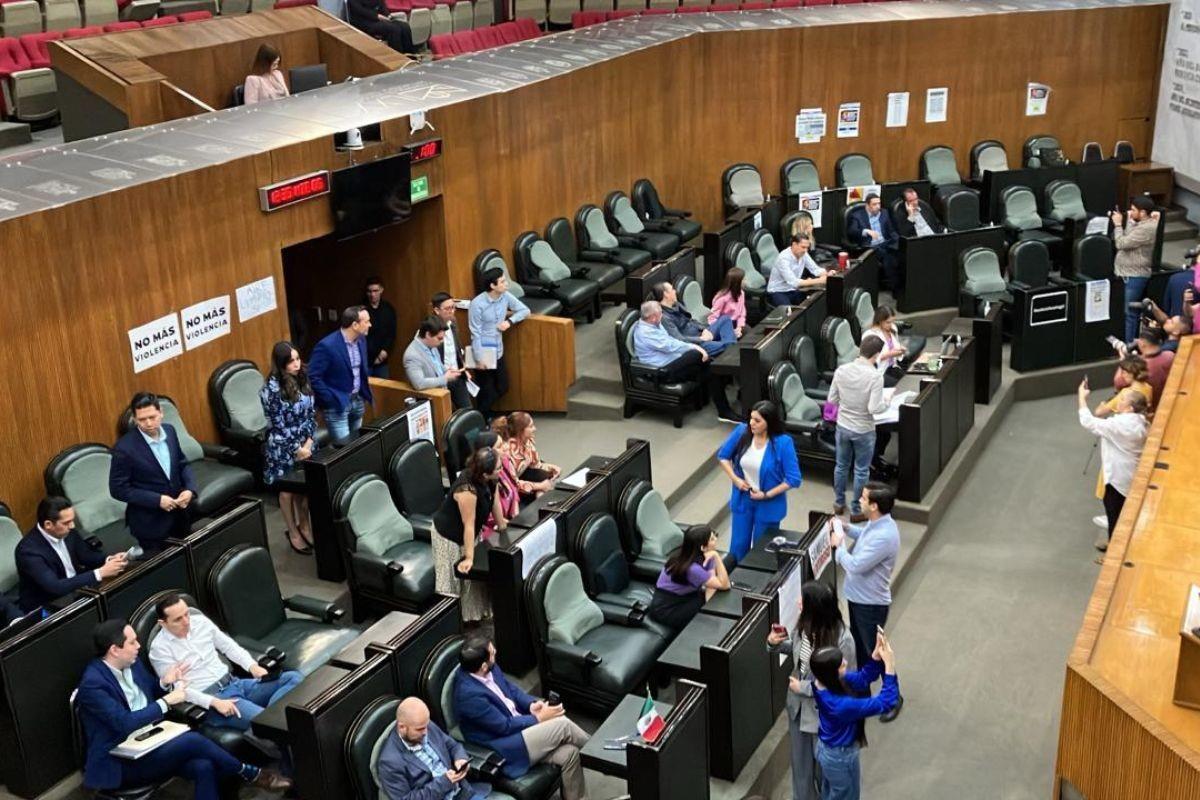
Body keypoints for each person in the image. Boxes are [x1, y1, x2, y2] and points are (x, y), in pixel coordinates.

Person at [76, 620, 291, 800]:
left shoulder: (131, 663)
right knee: (192, 740)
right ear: (114, 650)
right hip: (121, 761)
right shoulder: (93, 685)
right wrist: (167, 701)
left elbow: (152, 690)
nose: (138, 645)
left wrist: (164, 682)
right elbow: (124, 723)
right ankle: (251, 773)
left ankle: (250, 774)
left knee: (203, 766)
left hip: (152, 740)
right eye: (132, 642)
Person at [453, 636, 590, 800]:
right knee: (563, 726)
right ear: (483, 666)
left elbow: (511, 689)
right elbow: (503, 726)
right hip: (507, 746)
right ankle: (604, 756)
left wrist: (531, 705)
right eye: (492, 653)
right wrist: (539, 718)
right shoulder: (468, 696)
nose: (495, 653)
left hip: (520, 725)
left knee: (570, 754)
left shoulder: (489, 668)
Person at [148, 593, 303, 731]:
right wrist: (214, 702)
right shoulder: (159, 649)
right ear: (163, 623)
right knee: (272, 723)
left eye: (187, 614)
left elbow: (229, 647)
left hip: (236, 683)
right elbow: (179, 692)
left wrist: (252, 665)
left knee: (293, 677)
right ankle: (269, 724)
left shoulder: (200, 622)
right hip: (213, 699)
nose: (186, 621)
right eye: (178, 619)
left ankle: (268, 722)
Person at [767, 582, 856, 800]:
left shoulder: (843, 640)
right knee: (801, 769)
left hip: (823, 715)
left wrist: (804, 688)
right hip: (798, 710)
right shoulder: (804, 627)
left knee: (825, 771)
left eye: (803, 601)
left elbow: (843, 684)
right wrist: (774, 644)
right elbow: (800, 653)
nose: (798, 603)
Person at [828, 482, 903, 724]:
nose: (858, 500)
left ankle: (893, 697)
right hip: (859, 599)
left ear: (874, 506)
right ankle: (862, 692)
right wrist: (847, 528)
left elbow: (855, 565)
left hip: (870, 605)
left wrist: (838, 544)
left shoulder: (885, 536)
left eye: (863, 498)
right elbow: (864, 534)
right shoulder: (878, 523)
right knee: (862, 650)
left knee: (877, 653)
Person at [810, 632, 900, 800]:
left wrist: (875, 657)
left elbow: (862, 679)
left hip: (828, 750)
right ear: (832, 673)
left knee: (832, 793)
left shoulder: (820, 683)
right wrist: (890, 666)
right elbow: (886, 702)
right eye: (841, 664)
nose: (845, 663)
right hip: (840, 757)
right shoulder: (841, 706)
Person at [109, 392, 198, 554]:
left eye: (152, 417)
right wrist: (157, 500)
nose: (148, 423)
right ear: (135, 420)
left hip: (180, 514)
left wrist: (189, 489)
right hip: (151, 524)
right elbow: (118, 489)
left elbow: (182, 464)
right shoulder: (124, 449)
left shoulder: (170, 432)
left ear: (161, 413)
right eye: (142, 420)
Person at [716, 401, 803, 560]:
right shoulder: (742, 432)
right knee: (738, 546)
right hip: (743, 499)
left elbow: (794, 479)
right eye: (751, 418)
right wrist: (735, 479)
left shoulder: (783, 443)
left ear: (768, 423)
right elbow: (723, 456)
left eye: (757, 420)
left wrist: (767, 494)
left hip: (768, 504)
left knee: (762, 551)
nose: (751, 423)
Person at [431, 448, 507, 624]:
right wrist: (469, 558)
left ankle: (474, 615)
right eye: (498, 468)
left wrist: (503, 528)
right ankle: (450, 622)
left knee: (474, 584)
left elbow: (493, 501)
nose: (501, 470)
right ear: (485, 473)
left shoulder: (491, 479)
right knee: (452, 580)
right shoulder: (467, 489)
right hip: (448, 535)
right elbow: (468, 524)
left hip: (470, 531)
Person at [377, 697, 503, 800]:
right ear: (402, 727)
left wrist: (460, 759)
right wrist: (444, 783)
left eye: (426, 725)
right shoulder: (389, 762)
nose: (426, 732)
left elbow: (452, 745)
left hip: (463, 791)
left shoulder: (425, 725)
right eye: (420, 729)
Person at [16, 496, 127, 612]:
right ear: (48, 524)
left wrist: (109, 559)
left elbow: (87, 556)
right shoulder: (28, 551)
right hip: (49, 605)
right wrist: (100, 573)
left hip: (77, 591)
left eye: (72, 520)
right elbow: (55, 587)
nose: (72, 526)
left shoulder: (67, 531)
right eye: (66, 523)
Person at [633, 300, 739, 422]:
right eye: (660, 313)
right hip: (664, 370)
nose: (662, 315)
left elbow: (671, 340)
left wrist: (694, 347)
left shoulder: (654, 323)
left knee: (711, 369)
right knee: (696, 354)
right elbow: (670, 345)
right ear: (652, 318)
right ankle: (729, 350)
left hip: (676, 360)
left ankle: (724, 412)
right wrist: (695, 347)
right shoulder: (645, 333)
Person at [260, 341, 318, 555]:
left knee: (305, 489)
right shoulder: (271, 389)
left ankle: (305, 525)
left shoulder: (303, 378)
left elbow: (312, 413)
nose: (296, 364)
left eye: (297, 358)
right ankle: (292, 531)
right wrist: (297, 448)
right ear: (281, 364)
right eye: (291, 361)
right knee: (288, 492)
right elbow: (277, 425)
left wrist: (309, 441)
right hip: (284, 446)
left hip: (306, 442)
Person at [1078, 380, 1148, 549]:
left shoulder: (1121, 425)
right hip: (1126, 474)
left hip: (1118, 478)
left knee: (1114, 513)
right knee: (1116, 512)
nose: (1119, 401)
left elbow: (1089, 422)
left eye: (1123, 400)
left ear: (1130, 408)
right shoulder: (1138, 422)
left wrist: (1081, 398)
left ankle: (1114, 549)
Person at [828, 338, 888, 522]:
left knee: (841, 466)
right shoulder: (875, 376)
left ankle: (839, 503)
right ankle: (856, 510)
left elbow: (832, 399)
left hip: (843, 427)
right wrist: (887, 402)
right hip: (864, 430)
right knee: (861, 470)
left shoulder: (841, 371)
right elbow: (873, 408)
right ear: (877, 355)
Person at [468, 268, 530, 421]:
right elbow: (475, 333)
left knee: (503, 386)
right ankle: (482, 418)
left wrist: (509, 321)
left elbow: (524, 310)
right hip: (483, 349)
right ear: (492, 286)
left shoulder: (505, 296)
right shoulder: (477, 304)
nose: (506, 283)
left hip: (498, 348)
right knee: (486, 389)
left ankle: (481, 413)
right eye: (502, 281)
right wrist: (478, 357)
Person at [308, 305, 373, 444]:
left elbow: (361, 370)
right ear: (355, 325)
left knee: (358, 445)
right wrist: (330, 399)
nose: (370, 324)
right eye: (366, 321)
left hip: (358, 400)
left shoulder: (361, 340)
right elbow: (313, 376)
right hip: (337, 405)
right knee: (344, 451)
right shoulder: (327, 346)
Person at [647, 524, 731, 631]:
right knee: (712, 604)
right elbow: (725, 585)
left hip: (684, 596)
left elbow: (714, 584)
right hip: (667, 609)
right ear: (703, 547)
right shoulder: (693, 569)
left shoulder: (690, 554)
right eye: (712, 539)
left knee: (716, 591)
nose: (716, 540)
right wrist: (716, 556)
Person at [1110, 196, 1161, 343]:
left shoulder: (1147, 228)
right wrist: (1130, 222)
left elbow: (1121, 243)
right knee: (1123, 312)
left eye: (1133, 210)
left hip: (1134, 277)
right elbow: (1129, 235)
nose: (1130, 213)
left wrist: (1118, 225)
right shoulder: (1142, 223)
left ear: (1143, 213)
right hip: (1124, 274)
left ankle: (1129, 346)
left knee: (1130, 313)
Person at [653, 281, 736, 357]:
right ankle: (731, 347)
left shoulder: (676, 304)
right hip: (696, 344)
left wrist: (704, 330)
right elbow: (679, 339)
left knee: (725, 319)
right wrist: (701, 339)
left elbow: (691, 320)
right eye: (672, 289)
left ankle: (730, 346)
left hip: (701, 332)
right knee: (727, 345)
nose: (675, 291)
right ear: (666, 294)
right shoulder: (664, 317)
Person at [403, 317, 471, 409]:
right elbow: (419, 383)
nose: (442, 341)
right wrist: (445, 378)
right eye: (439, 338)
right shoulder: (412, 355)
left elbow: (438, 366)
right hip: (429, 402)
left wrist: (449, 371)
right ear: (427, 335)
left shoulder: (432, 346)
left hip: (442, 395)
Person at [494, 411, 559, 496]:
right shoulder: (507, 452)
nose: (535, 429)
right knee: (543, 487)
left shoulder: (527, 441)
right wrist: (540, 486)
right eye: (531, 426)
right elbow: (512, 485)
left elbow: (535, 465)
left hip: (522, 475)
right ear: (520, 430)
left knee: (546, 478)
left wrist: (551, 467)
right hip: (508, 486)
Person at [846, 194, 900, 292]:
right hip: (870, 246)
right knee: (888, 257)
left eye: (879, 203)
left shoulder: (884, 212)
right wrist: (866, 231)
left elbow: (892, 231)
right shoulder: (857, 216)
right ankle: (895, 288)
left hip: (885, 243)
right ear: (867, 206)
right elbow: (851, 231)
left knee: (899, 251)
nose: (878, 206)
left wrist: (898, 241)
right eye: (874, 204)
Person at [432, 291, 474, 410]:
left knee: (467, 410)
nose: (452, 311)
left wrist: (464, 368)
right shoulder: (430, 328)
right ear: (436, 310)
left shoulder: (453, 322)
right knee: (445, 412)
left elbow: (457, 348)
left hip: (457, 373)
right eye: (447, 308)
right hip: (441, 377)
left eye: (453, 307)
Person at [1113, 327, 1174, 404]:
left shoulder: (1137, 367)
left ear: (1142, 344)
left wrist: (1124, 362)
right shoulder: (1170, 356)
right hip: (1169, 399)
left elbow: (1118, 383)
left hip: (1147, 404)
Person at [478, 430, 521, 538]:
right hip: (485, 530)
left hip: (508, 519)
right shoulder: (482, 479)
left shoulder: (503, 462)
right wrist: (507, 524)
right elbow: (488, 516)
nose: (506, 447)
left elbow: (514, 488)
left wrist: (516, 514)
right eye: (500, 446)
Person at [767, 235, 828, 307]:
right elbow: (794, 282)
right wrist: (820, 280)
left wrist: (827, 274)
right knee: (790, 314)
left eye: (807, 248)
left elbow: (815, 269)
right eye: (803, 247)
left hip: (793, 289)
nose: (805, 250)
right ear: (794, 245)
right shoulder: (783, 258)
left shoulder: (804, 253)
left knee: (812, 303)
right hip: (778, 291)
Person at [860, 305, 908, 386]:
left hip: (892, 367)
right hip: (879, 371)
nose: (891, 324)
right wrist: (889, 354)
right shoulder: (870, 335)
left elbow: (894, 346)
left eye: (892, 321)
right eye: (888, 322)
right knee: (899, 386)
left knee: (906, 381)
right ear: (880, 321)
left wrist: (900, 350)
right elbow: (868, 359)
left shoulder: (893, 329)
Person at [346, 0, 414, 53]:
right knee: (393, 29)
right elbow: (359, 11)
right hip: (364, 22)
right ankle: (399, 57)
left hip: (378, 20)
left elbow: (382, 5)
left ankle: (410, 56)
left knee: (404, 26)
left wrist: (387, 15)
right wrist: (376, 16)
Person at [365, 276, 398, 378]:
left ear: (381, 290)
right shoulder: (362, 309)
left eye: (375, 291)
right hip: (366, 359)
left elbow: (392, 333)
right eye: (370, 291)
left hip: (382, 359)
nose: (372, 294)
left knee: (383, 390)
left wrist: (385, 351)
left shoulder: (388, 309)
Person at [708, 267, 747, 338]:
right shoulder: (722, 298)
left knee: (750, 335)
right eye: (743, 279)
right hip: (724, 326)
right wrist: (727, 330)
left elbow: (742, 313)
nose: (746, 281)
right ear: (737, 283)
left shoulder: (741, 293)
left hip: (737, 323)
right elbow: (712, 318)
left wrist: (739, 327)